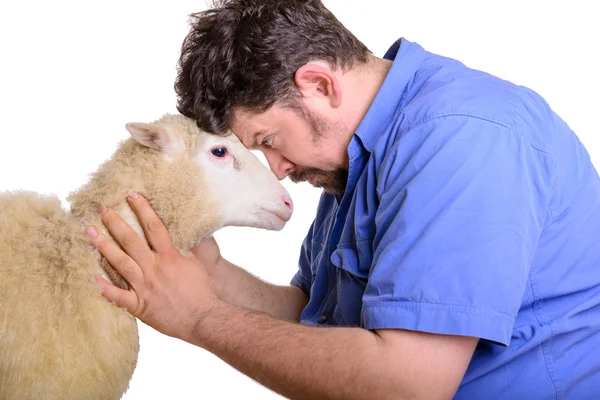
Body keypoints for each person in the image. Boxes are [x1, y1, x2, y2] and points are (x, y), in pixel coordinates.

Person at [84, 0, 600, 398]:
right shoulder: (355, 158)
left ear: (319, 84)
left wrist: (200, 317)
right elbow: (312, 317)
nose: (279, 171)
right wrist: (211, 277)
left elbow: (409, 386)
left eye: (267, 140)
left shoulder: (461, 140)